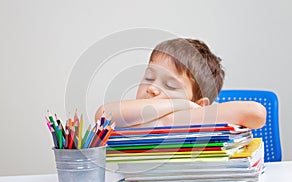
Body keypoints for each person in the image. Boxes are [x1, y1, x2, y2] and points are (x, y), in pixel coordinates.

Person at [95, 38, 266, 129]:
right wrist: (176, 104)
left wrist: (177, 115)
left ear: (199, 104)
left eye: (170, 85)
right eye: (148, 77)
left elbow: (255, 113)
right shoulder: (132, 116)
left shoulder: (194, 117)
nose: (152, 88)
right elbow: (103, 115)